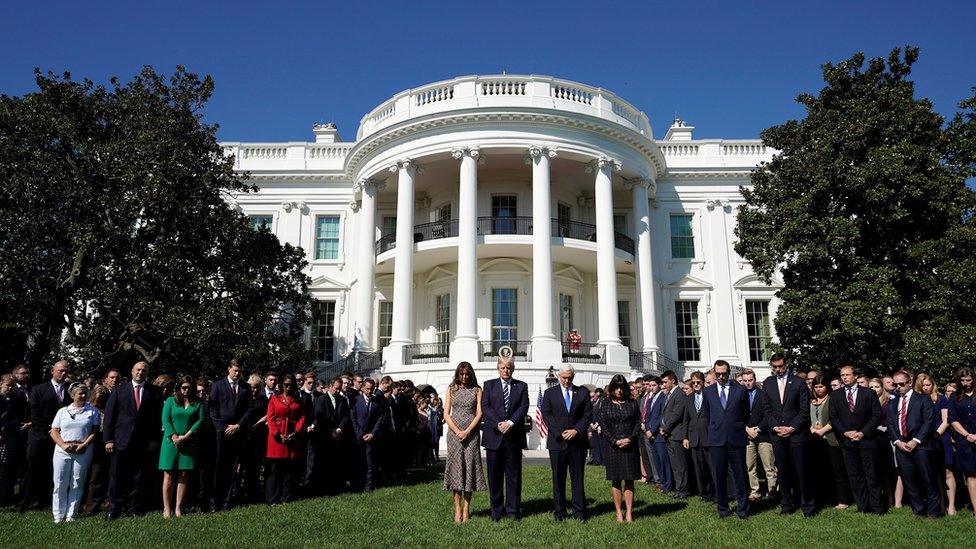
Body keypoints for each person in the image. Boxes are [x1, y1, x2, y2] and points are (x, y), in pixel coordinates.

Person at [103, 361, 164, 519]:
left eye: (144, 370)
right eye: (138, 369)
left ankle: (133, 507)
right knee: (116, 476)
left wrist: (154, 442)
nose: (140, 372)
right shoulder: (119, 390)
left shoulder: (154, 391)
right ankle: (113, 508)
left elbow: (156, 419)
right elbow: (109, 417)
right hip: (120, 441)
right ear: (131, 371)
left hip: (142, 442)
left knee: (137, 477)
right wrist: (108, 440)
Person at [829, 365, 885, 514]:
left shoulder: (869, 393)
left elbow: (876, 416)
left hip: (866, 441)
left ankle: (877, 507)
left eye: (847, 374)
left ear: (855, 376)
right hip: (847, 442)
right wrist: (845, 433)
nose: (845, 377)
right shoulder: (836, 395)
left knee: (871, 475)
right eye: (842, 375)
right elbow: (833, 418)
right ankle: (863, 507)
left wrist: (862, 433)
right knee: (855, 476)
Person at [761, 355, 813, 516]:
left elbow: (804, 410)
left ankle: (807, 506)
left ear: (787, 365)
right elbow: (767, 409)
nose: (777, 369)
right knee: (783, 472)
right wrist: (776, 427)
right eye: (774, 366)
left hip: (796, 435)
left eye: (780, 366)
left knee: (801, 471)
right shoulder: (768, 383)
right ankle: (787, 504)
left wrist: (791, 428)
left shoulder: (798, 382)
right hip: (777, 435)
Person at [541, 365, 592, 522]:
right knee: (558, 479)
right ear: (558, 376)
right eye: (564, 377)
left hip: (578, 442)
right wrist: (559, 433)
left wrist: (576, 431)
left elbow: (587, 415)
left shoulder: (583, 392)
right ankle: (560, 512)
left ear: (574, 376)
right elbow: (546, 414)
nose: (567, 380)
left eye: (570, 377)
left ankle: (579, 512)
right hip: (557, 442)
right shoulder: (549, 393)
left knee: (577, 478)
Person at [480, 356, 529, 521]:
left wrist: (510, 422)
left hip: (513, 437)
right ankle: (496, 511)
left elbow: (523, 406)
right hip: (494, 436)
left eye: (508, 368)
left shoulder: (521, 386)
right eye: (503, 368)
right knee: (494, 477)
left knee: (514, 476)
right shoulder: (489, 385)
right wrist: (499, 423)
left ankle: (512, 511)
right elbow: (485, 406)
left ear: (513, 369)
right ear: (498, 368)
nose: (506, 370)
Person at [19, 360, 72, 512]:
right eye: (61, 370)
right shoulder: (38, 389)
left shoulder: (70, 390)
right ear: (52, 371)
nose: (64, 373)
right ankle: (23, 502)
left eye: (66, 371)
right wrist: (51, 428)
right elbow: (33, 413)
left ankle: (45, 501)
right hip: (39, 435)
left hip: (60, 438)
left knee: (52, 470)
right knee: (32, 469)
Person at [701, 360, 750, 519]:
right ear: (714, 373)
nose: (721, 377)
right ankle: (723, 509)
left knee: (740, 475)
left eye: (724, 373)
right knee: (719, 475)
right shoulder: (708, 392)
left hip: (736, 439)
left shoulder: (740, 390)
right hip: (717, 440)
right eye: (718, 374)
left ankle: (742, 509)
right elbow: (708, 416)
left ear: (729, 373)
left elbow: (745, 414)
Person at [888, 370, 940, 518]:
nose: (898, 387)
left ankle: (933, 513)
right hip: (901, 446)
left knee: (927, 479)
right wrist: (898, 442)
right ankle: (917, 510)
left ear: (910, 383)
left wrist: (915, 441)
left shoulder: (923, 399)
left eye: (901, 384)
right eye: (895, 384)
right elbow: (891, 424)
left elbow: (928, 422)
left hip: (921, 445)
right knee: (909, 480)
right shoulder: (893, 402)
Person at [49, 382, 100, 522]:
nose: (83, 395)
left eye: (85, 393)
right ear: (72, 395)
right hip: (62, 450)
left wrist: (84, 444)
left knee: (77, 481)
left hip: (83, 450)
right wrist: (63, 445)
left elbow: (95, 431)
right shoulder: (63, 411)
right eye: (80, 393)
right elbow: (54, 431)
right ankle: (58, 515)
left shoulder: (92, 411)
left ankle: (71, 514)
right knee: (60, 482)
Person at [442, 362, 486, 523]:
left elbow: (479, 413)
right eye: (462, 374)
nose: (464, 377)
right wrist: (457, 431)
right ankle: (457, 509)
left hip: (472, 435)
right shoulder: (451, 389)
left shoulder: (477, 390)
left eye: (467, 374)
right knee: (456, 470)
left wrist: (467, 431)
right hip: (454, 435)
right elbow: (446, 414)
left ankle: (467, 509)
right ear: (458, 374)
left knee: (469, 470)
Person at [209, 359, 253, 511]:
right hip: (221, 434)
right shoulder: (217, 385)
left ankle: (228, 502)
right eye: (235, 370)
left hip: (237, 433)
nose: (237, 374)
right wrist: (223, 427)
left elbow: (249, 409)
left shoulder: (246, 388)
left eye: (240, 371)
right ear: (229, 369)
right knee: (218, 468)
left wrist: (238, 425)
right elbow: (213, 409)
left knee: (232, 468)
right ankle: (214, 502)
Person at [159, 376, 204, 518]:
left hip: (188, 442)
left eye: (189, 388)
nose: (186, 390)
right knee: (169, 475)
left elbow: (200, 420)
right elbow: (165, 420)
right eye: (183, 387)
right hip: (170, 442)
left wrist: (186, 437)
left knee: (184, 475)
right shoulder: (171, 402)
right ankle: (167, 508)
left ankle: (178, 507)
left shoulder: (197, 403)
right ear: (178, 388)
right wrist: (174, 436)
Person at [598, 374, 640, 523]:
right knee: (615, 480)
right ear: (612, 388)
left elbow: (637, 422)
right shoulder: (605, 404)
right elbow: (603, 424)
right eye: (616, 388)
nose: (619, 391)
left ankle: (629, 512)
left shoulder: (632, 403)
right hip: (613, 447)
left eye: (622, 388)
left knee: (629, 480)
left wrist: (630, 438)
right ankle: (618, 512)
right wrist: (615, 441)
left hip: (630, 445)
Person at [809, 375, 852, 510]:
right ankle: (824, 498)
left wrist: (822, 431)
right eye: (816, 387)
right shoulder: (810, 400)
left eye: (821, 386)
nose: (818, 389)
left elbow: (835, 418)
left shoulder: (833, 399)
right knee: (820, 470)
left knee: (837, 470)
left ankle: (843, 499)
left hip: (832, 439)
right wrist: (811, 429)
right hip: (814, 440)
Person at [916, 373, 956, 515]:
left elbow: (946, 420)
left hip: (940, 437)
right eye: (923, 385)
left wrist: (936, 434)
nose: (926, 388)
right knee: (929, 473)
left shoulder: (941, 399)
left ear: (933, 385)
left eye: (928, 385)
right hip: (923, 439)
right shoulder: (917, 400)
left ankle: (951, 506)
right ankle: (936, 504)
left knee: (947, 472)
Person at [265, 374, 305, 505]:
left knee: (289, 471)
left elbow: (302, 418)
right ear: (282, 385)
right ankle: (272, 499)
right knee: (275, 471)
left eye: (291, 384)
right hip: (277, 440)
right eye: (286, 384)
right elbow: (270, 419)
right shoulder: (274, 399)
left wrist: (296, 432)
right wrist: (278, 434)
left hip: (292, 437)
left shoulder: (298, 400)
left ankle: (286, 497)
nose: (288, 387)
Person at [311, 376, 351, 495]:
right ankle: (323, 488)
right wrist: (331, 431)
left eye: (339, 389)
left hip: (337, 436)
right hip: (324, 435)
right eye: (336, 388)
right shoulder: (321, 399)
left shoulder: (342, 400)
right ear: (330, 387)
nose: (338, 391)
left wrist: (339, 428)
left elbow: (345, 416)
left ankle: (335, 487)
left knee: (336, 462)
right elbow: (320, 416)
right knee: (324, 463)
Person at [742, 369, 775, 504]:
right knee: (750, 466)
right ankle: (754, 492)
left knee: (769, 466)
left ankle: (772, 491)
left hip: (764, 434)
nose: (748, 383)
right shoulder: (739, 395)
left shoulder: (763, 394)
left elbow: (769, 413)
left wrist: (759, 428)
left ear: (755, 380)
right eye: (745, 381)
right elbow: (736, 415)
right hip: (747, 434)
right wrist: (747, 429)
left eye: (750, 380)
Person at [79, 385, 111, 517]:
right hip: (86, 444)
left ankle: (95, 504)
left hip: (102, 445)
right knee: (86, 476)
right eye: (97, 401)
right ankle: (85, 502)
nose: (99, 404)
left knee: (97, 476)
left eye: (102, 401)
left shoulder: (108, 410)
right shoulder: (87, 408)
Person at [949, 367, 976, 517]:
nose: (966, 383)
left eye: (969, 380)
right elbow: (952, 419)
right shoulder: (954, 397)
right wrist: (967, 435)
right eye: (963, 380)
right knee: (971, 474)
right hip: (964, 439)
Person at [682, 374, 713, 502]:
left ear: (703, 382)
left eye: (698, 382)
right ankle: (704, 494)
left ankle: (716, 493)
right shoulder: (689, 398)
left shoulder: (710, 395)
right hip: (694, 438)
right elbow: (686, 419)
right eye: (693, 382)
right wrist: (685, 437)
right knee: (699, 469)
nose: (695, 384)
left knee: (712, 468)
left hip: (708, 437)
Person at [351, 378, 385, 492]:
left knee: (370, 463)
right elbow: (353, 419)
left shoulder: (376, 401)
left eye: (372, 389)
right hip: (359, 437)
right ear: (362, 388)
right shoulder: (356, 400)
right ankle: (358, 485)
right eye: (367, 389)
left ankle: (369, 487)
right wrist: (360, 434)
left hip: (371, 437)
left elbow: (379, 419)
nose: (369, 391)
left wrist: (373, 433)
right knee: (359, 462)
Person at [659, 370, 689, 499]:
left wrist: (665, 428)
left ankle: (683, 490)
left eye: (665, 382)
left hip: (676, 434)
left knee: (680, 464)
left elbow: (677, 414)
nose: (663, 385)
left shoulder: (679, 394)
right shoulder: (670, 394)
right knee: (675, 465)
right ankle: (679, 488)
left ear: (673, 381)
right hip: (670, 434)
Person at [869, 377, 896, 507]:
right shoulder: (867, 400)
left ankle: (892, 498)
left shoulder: (889, 401)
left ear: (882, 387)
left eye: (876, 387)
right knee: (877, 470)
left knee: (889, 470)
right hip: (872, 438)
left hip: (887, 438)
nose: (874, 390)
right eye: (871, 387)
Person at [241, 373, 268, 503]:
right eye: (252, 387)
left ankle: (254, 493)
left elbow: (268, 414)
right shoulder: (244, 398)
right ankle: (241, 493)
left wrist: (259, 423)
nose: (254, 390)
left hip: (259, 436)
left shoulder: (264, 399)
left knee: (255, 467)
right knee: (242, 466)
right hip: (245, 436)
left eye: (257, 387)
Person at [0, 375, 26, 506]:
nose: (10, 388)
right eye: (7, 385)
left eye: (12, 386)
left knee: (6, 467)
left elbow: (18, 417)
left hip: (9, 437)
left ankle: (5, 496)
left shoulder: (16, 400)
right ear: (1, 384)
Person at [642, 376, 668, 492]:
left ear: (659, 385)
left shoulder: (663, 397)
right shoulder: (651, 398)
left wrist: (652, 431)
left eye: (654, 385)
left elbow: (661, 416)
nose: (651, 388)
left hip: (658, 434)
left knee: (663, 461)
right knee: (656, 460)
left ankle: (666, 484)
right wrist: (647, 429)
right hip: (650, 433)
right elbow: (647, 416)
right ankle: (660, 482)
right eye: (650, 386)